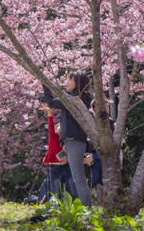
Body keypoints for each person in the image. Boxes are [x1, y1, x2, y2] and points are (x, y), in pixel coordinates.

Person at [43, 72, 92, 207]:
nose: (66, 81)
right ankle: (86, 207)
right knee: (78, 178)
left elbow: (52, 102)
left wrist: (45, 84)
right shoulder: (83, 98)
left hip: (74, 140)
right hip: (73, 140)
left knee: (79, 178)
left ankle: (87, 208)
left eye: (70, 79)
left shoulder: (72, 98)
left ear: (78, 82)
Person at [39, 105, 75, 203]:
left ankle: (70, 205)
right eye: (58, 126)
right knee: (55, 189)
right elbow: (51, 124)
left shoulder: (66, 140)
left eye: (62, 127)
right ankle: (56, 207)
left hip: (66, 166)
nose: (60, 128)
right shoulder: (53, 136)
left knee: (70, 187)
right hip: (54, 167)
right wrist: (49, 112)